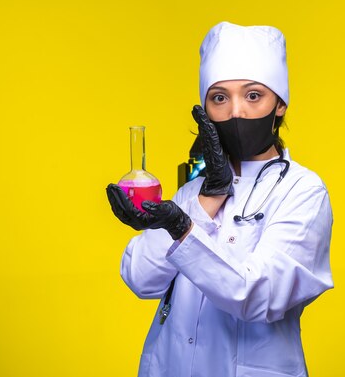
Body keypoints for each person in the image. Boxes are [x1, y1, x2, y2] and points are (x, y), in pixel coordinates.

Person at [106, 21, 333, 377]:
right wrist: (206, 199)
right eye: (220, 97)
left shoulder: (303, 191)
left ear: (280, 104)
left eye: (254, 95)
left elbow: (256, 295)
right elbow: (141, 278)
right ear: (205, 108)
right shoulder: (196, 190)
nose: (236, 112)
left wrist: (182, 226)